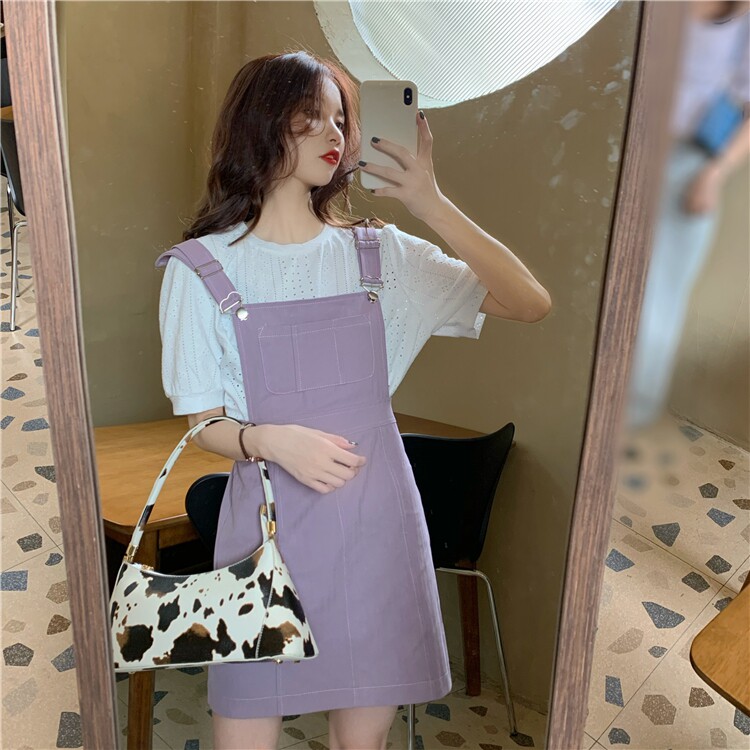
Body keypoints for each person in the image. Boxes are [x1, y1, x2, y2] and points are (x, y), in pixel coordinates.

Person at [157, 50, 551, 750]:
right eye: (310, 116)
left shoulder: (381, 255)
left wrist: (429, 201)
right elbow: (204, 420)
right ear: (259, 123)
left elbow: (529, 301)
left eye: (341, 118)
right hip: (263, 539)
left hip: (375, 532)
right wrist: (268, 439)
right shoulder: (200, 268)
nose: (333, 133)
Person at [625, 0, 750, 430]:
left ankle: (630, 416)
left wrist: (714, 174)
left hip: (687, 163)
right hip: (622, 140)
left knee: (658, 296)